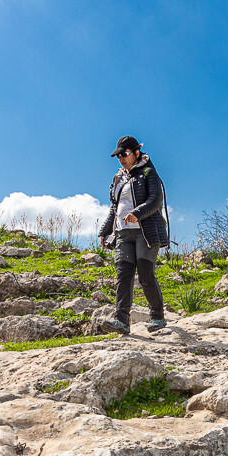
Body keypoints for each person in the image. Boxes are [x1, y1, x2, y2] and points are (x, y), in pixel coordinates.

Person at [98, 136, 168, 334]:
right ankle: (121, 321)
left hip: (145, 232)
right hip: (122, 233)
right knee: (123, 275)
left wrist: (137, 214)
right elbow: (115, 207)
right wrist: (105, 230)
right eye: (118, 155)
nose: (121, 158)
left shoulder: (148, 172)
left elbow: (155, 200)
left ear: (137, 153)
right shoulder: (118, 178)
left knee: (145, 275)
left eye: (124, 154)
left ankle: (157, 317)